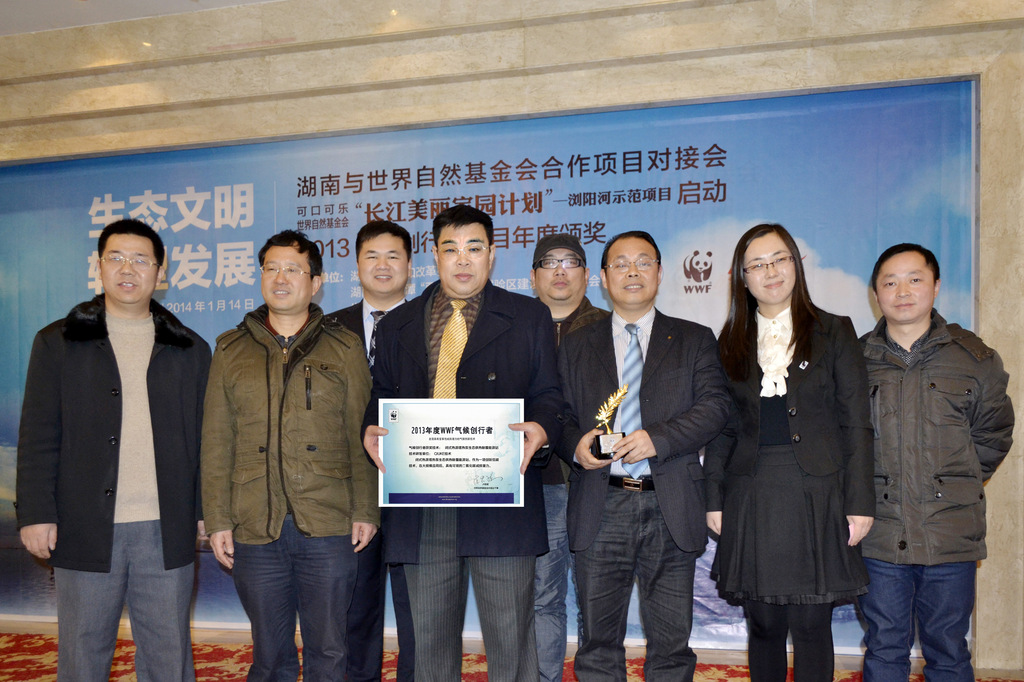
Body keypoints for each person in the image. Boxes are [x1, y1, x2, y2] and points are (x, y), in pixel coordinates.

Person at [362, 204, 564, 682]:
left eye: (474, 248)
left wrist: (541, 427)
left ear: (491, 254)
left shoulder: (528, 316)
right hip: (422, 502)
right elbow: (381, 395)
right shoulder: (398, 324)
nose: (463, 259)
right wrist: (371, 427)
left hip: (501, 499)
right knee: (429, 646)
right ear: (434, 255)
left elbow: (550, 395)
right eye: (450, 249)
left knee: (511, 642)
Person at [16, 219, 211, 682]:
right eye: (116, 257)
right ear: (98, 266)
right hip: (83, 525)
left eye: (141, 260)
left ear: (160, 273)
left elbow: (208, 440)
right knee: (83, 652)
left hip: (166, 528)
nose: (128, 269)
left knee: (168, 655)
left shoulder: (190, 349)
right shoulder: (58, 342)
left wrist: (208, 510)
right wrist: (36, 513)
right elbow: (38, 433)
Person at [201, 229, 377, 681]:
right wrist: (217, 518)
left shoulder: (344, 347)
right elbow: (217, 441)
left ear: (316, 282)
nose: (280, 278)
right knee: (269, 653)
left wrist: (366, 509)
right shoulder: (230, 349)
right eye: (271, 268)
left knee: (329, 650)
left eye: (293, 270)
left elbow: (361, 435)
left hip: (329, 521)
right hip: (255, 524)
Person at [556, 230, 730, 681]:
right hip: (601, 502)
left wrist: (659, 439)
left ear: (659, 272)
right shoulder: (577, 342)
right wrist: (574, 445)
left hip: (669, 500)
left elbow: (716, 407)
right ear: (603, 277)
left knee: (671, 646)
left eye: (643, 262)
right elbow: (558, 414)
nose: (632, 272)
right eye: (620, 264)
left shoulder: (693, 338)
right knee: (597, 643)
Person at [705, 223, 874, 682]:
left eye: (779, 259)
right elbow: (723, 429)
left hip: (818, 492)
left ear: (796, 264)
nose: (770, 271)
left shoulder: (834, 330)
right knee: (763, 624)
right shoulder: (730, 340)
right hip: (751, 491)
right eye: (756, 265)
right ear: (742, 278)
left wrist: (860, 502)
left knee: (811, 625)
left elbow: (856, 422)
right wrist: (714, 497)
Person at [859, 243, 1014, 681]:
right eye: (890, 282)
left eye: (915, 279)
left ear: (936, 286)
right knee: (884, 646)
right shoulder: (854, 360)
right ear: (876, 292)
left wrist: (955, 484)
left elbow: (993, 435)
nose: (902, 291)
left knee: (948, 648)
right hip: (879, 533)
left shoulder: (975, 359)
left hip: (950, 532)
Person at [327, 219, 416, 682]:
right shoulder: (326, 328)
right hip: (347, 491)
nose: (383, 266)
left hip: (417, 489)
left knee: (420, 613)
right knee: (354, 611)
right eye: (372, 256)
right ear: (357, 265)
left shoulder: (434, 325)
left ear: (410, 266)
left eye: (393, 256)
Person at [529, 233, 608, 682]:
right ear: (534, 276)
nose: (560, 270)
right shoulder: (517, 326)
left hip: (600, 484)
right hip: (541, 484)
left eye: (571, 261)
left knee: (599, 598)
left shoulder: (611, 328)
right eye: (549, 262)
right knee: (544, 597)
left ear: (587, 274)